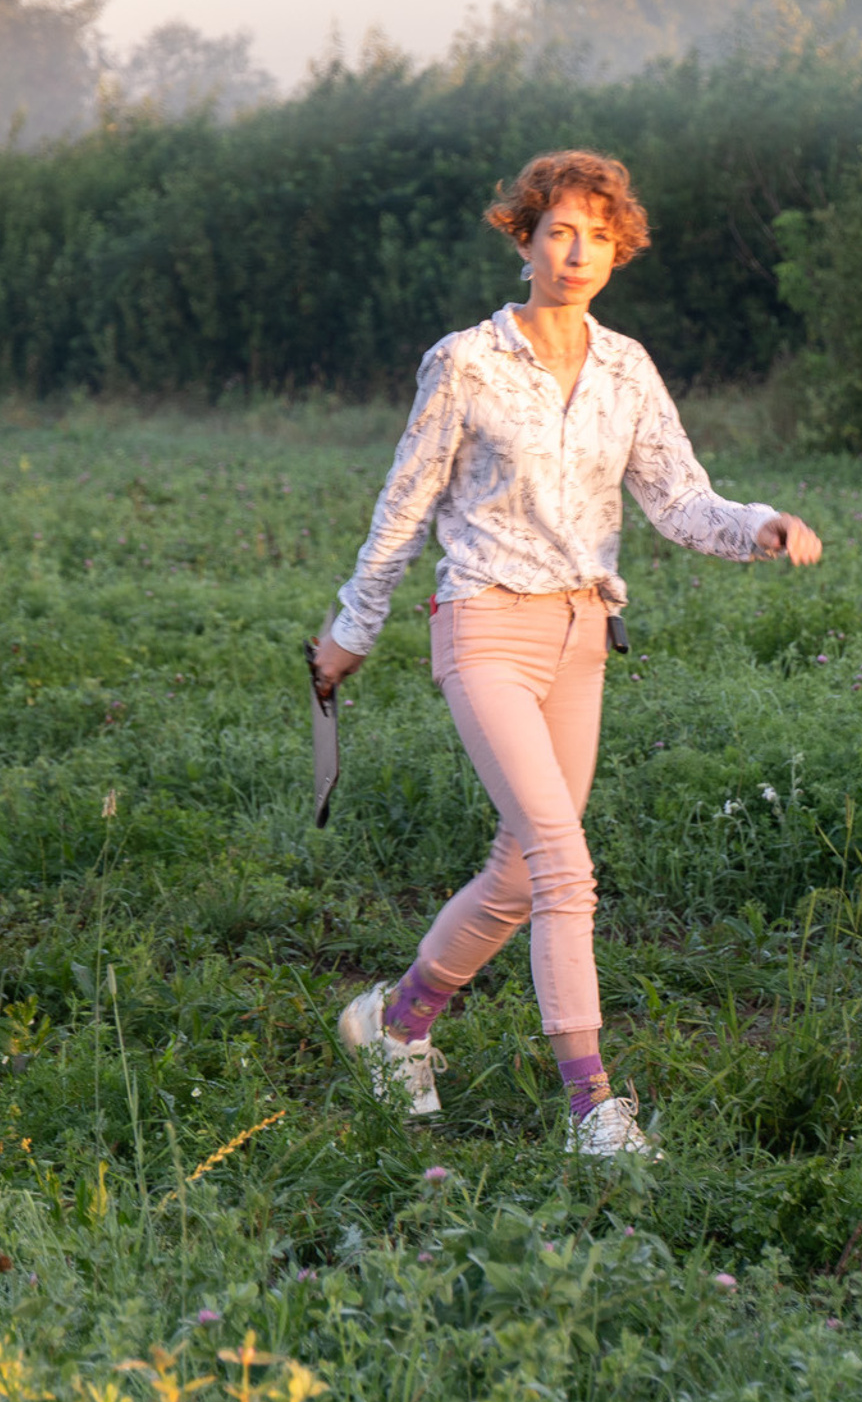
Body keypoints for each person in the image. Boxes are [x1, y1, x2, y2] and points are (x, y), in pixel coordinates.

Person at [311, 149, 823, 1157]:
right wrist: (352, 626)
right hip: (483, 622)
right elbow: (405, 503)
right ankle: (593, 1108)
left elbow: (678, 497)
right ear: (524, 238)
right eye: (558, 229)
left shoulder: (627, 367)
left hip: (581, 634)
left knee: (517, 871)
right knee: (562, 863)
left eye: (598, 232)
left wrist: (754, 522)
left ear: (618, 248)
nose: (577, 249)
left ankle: (395, 1024)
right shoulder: (464, 362)